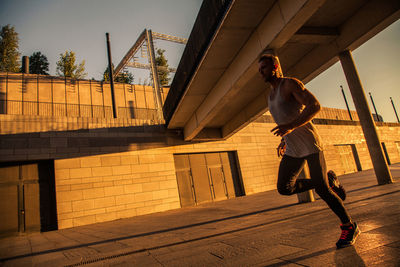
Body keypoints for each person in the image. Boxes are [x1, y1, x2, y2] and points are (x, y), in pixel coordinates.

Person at [258, 53, 360, 249]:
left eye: (264, 67)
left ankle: (349, 226)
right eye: (259, 69)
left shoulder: (290, 84)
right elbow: (284, 119)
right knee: (284, 188)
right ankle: (328, 180)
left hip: (311, 144)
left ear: (275, 66)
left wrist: (291, 126)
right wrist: (285, 139)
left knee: (322, 190)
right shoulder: (270, 96)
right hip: (293, 148)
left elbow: (315, 105)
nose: (260, 72)